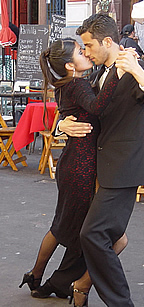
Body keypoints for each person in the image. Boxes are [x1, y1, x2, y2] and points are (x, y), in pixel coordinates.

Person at [59, 13, 144, 306]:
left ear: (107, 41)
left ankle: (115, 300)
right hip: (98, 168)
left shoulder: (133, 67)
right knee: (102, 237)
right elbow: (84, 110)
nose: (86, 52)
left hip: (122, 169)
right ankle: (81, 284)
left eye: (89, 46)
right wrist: (62, 126)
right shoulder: (97, 74)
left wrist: (140, 73)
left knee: (93, 234)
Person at [19, 37, 129, 306]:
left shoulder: (66, 85)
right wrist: (119, 74)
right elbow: (97, 106)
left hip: (75, 163)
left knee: (63, 227)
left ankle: (39, 276)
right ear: (70, 65)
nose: (86, 53)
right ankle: (63, 281)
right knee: (69, 229)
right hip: (81, 167)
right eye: (81, 51)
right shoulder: (78, 84)